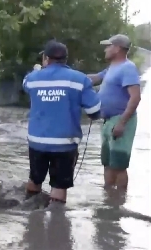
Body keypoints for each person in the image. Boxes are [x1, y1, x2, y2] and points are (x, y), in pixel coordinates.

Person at [22, 41, 102, 204]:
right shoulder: (80, 80)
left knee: (35, 179)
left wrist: (38, 70)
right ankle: (57, 222)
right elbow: (94, 111)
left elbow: (25, 84)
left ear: (46, 58)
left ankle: (29, 215)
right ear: (66, 59)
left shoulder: (32, 79)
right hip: (65, 143)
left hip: (37, 142)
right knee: (59, 186)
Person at [87, 34, 141, 190]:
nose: (105, 49)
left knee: (118, 164)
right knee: (107, 162)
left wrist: (122, 123)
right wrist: (71, 77)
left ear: (117, 48)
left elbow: (135, 98)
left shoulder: (128, 67)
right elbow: (95, 78)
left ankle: (119, 201)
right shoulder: (112, 67)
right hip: (108, 120)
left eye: (108, 46)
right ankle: (109, 199)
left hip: (121, 120)